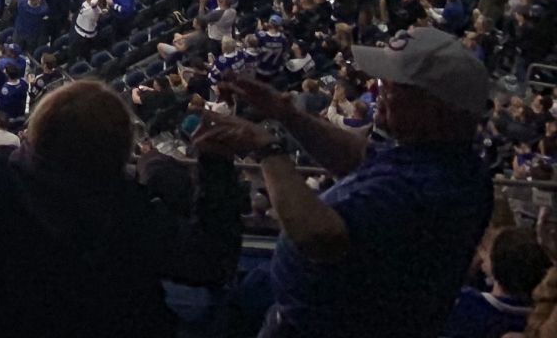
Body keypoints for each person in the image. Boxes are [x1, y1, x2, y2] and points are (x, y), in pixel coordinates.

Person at [200, 26, 495, 338]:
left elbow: (319, 237)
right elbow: (359, 157)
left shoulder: (435, 188)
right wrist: (286, 115)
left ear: (435, 109)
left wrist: (268, 150)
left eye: (392, 88)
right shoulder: (439, 160)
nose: (378, 93)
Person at [0, 77, 246, 338]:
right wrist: (215, 163)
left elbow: (21, 161)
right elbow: (213, 261)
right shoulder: (129, 214)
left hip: (22, 325)